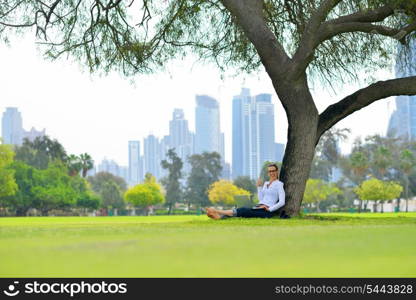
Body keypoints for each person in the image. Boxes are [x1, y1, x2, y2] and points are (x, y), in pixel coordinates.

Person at [206, 163, 285, 219]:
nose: (272, 173)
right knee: (242, 209)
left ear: (277, 171)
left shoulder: (279, 184)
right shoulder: (266, 183)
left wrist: (270, 209)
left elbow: (282, 202)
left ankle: (216, 211)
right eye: (270, 171)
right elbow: (261, 199)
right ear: (268, 173)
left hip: (266, 211)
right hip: (259, 207)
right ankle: (219, 217)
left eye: (273, 171)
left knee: (243, 210)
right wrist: (259, 187)